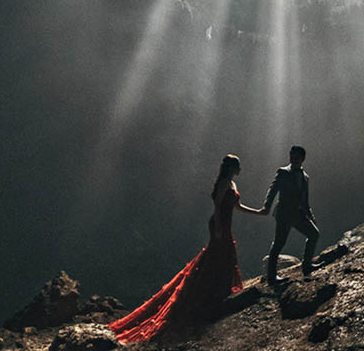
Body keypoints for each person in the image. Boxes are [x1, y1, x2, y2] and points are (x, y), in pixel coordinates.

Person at [108, 154, 264, 344]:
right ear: (232, 167)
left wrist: (256, 212)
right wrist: (217, 227)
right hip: (220, 224)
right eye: (238, 166)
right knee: (220, 256)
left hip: (225, 224)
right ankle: (210, 294)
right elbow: (217, 205)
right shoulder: (224, 183)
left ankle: (216, 291)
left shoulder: (232, 184)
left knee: (223, 256)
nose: (240, 169)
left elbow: (236, 206)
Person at [261, 145, 321, 285]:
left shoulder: (305, 177)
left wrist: (310, 214)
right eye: (292, 156)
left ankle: (306, 266)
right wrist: (266, 206)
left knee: (314, 234)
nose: (293, 159)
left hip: (299, 214)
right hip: (284, 213)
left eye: (296, 157)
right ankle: (271, 277)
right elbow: (273, 190)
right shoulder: (283, 172)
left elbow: (305, 199)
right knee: (279, 243)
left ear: (302, 159)